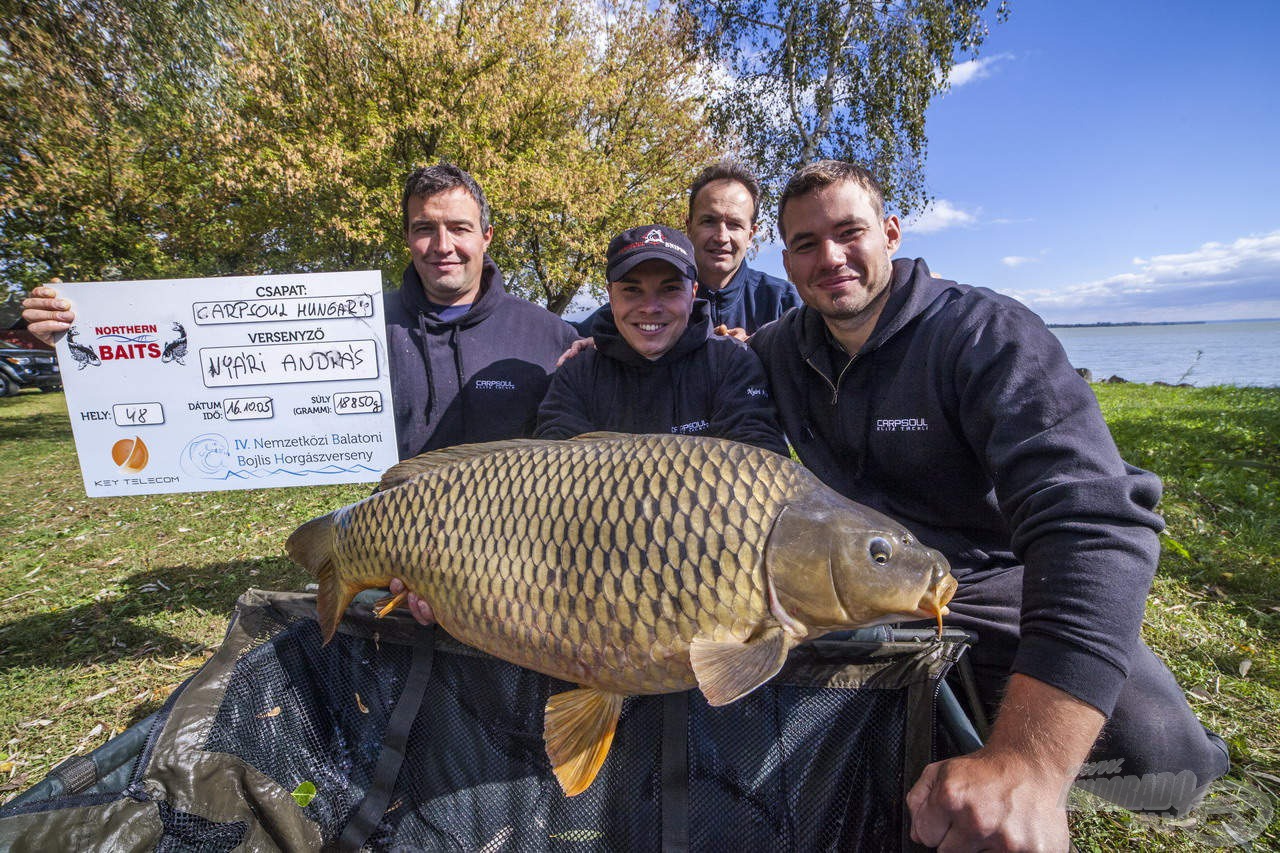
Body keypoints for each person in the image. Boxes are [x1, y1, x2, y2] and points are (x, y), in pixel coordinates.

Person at [748, 159, 1229, 850]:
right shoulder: (776, 351)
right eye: (804, 244)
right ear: (788, 262)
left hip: (987, 580)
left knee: (1165, 769)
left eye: (849, 232)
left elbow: (1093, 523)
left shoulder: (985, 333)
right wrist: (591, 345)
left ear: (889, 233)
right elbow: (686, 356)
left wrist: (1033, 763)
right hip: (852, 582)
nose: (830, 257)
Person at [22, 163, 580, 461]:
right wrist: (80, 340)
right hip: (402, 544)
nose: (442, 246)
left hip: (516, 554)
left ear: (485, 236)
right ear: (406, 237)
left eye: (458, 228)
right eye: (423, 228)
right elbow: (197, 371)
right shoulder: (353, 322)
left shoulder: (552, 334)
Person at [534, 225, 786, 455]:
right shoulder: (578, 372)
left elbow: (760, 457)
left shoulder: (732, 362)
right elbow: (554, 461)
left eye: (669, 289)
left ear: (693, 293)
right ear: (611, 296)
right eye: (632, 290)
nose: (650, 307)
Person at [575, 162, 800, 339]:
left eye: (734, 224)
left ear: (751, 235)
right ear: (689, 227)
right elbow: (568, 338)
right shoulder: (648, 301)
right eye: (708, 221)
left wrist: (758, 350)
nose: (721, 237)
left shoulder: (785, 303)